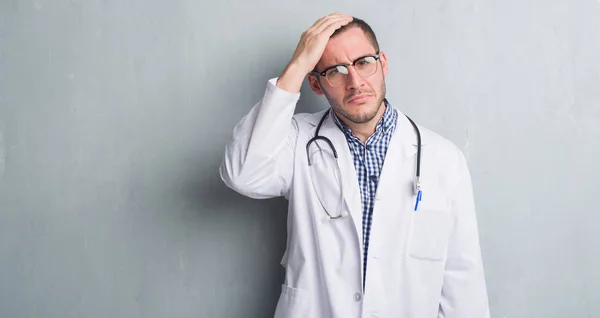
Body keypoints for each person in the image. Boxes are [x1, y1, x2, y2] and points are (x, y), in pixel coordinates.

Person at [220, 13, 490, 318]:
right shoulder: (297, 141)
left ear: (383, 63)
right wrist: (296, 65)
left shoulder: (443, 159)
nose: (355, 82)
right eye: (335, 71)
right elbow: (242, 173)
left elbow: (463, 283)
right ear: (315, 83)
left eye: (363, 62)